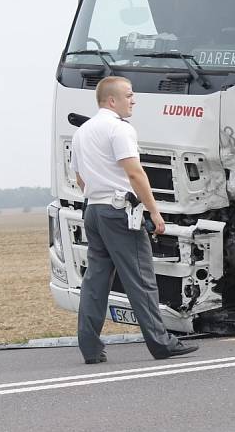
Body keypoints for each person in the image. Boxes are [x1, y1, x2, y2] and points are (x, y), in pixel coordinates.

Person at [71, 75, 199, 364]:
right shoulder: (119, 130)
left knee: (95, 281)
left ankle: (90, 347)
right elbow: (134, 173)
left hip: (93, 210)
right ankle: (161, 342)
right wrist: (154, 211)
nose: (134, 100)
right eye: (129, 95)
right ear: (112, 100)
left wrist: (99, 197)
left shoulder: (83, 132)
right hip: (118, 212)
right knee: (141, 280)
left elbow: (80, 179)